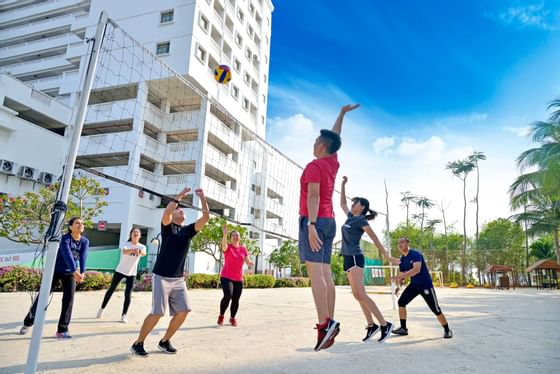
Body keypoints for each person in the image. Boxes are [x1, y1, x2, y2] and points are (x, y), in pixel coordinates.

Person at [299, 104, 359, 351]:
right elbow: (335, 137)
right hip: (330, 220)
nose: (313, 144)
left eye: (316, 141)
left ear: (322, 146)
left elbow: (313, 196)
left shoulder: (315, 166)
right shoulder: (332, 162)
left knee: (316, 275)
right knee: (324, 272)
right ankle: (330, 320)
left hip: (315, 220)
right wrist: (341, 114)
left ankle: (324, 324)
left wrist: (311, 225)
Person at [131, 187, 210, 356]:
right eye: (179, 209)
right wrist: (181, 196)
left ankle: (164, 341)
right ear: (174, 214)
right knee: (158, 312)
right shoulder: (167, 227)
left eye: (182, 210)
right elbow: (168, 210)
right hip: (161, 276)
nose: (181, 211)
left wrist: (202, 198)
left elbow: (206, 217)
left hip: (178, 279)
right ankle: (138, 343)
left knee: (184, 310)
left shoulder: (188, 230)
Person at [339, 176, 400, 343]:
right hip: (347, 257)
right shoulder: (351, 216)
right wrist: (343, 185)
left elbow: (374, 239)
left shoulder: (361, 220)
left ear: (362, 207)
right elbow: (342, 204)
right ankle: (371, 325)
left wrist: (387, 255)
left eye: (356, 202)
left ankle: (384, 324)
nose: (352, 204)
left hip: (355, 256)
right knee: (357, 295)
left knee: (361, 294)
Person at [19, 217, 89, 339]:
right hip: (55, 271)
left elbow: (83, 257)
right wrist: (75, 271)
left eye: (82, 223)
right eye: (77, 223)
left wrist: (82, 272)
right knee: (43, 297)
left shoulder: (85, 241)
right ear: (70, 226)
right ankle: (28, 322)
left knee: (69, 299)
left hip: (69, 274)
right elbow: (67, 255)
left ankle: (62, 329)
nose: (80, 225)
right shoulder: (65, 239)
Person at [391, 237, 453, 339]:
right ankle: (403, 329)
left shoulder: (415, 254)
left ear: (407, 243)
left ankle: (447, 330)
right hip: (414, 285)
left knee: (435, 309)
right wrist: (398, 286)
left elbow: (416, 270)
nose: (400, 245)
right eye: (398, 243)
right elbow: (402, 275)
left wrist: (399, 277)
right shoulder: (402, 260)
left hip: (425, 285)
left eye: (402, 242)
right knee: (401, 302)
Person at [97, 227, 146, 323]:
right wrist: (133, 250)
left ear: (139, 236)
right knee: (111, 289)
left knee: (128, 294)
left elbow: (143, 253)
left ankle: (124, 315)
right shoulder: (126, 244)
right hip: (120, 270)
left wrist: (138, 252)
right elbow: (124, 251)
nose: (135, 233)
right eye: (134, 232)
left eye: (137, 232)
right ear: (131, 235)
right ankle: (102, 309)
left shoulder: (142, 247)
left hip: (132, 273)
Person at [217, 223, 254, 327]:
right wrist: (224, 234)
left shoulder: (243, 248)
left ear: (239, 237)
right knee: (228, 295)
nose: (235, 236)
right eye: (233, 235)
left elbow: (247, 260)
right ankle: (221, 315)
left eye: (237, 235)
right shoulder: (228, 247)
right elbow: (223, 245)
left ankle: (232, 318)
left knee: (236, 299)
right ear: (230, 238)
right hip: (226, 277)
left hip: (238, 279)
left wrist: (249, 263)